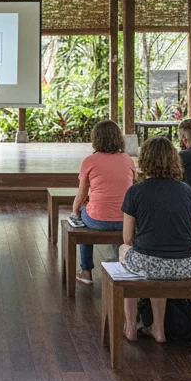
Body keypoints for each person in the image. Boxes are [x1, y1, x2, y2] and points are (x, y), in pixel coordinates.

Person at [118, 136, 191, 343]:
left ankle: (130, 327)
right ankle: (159, 328)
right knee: (157, 262)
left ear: (144, 160)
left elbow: (127, 238)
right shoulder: (186, 190)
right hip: (187, 265)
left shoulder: (135, 191)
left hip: (149, 263)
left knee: (123, 251)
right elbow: (189, 232)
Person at [71, 120, 136, 286]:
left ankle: (86, 271)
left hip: (97, 220)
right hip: (125, 220)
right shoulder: (128, 160)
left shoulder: (90, 161)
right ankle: (121, 264)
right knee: (119, 217)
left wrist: (75, 210)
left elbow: (81, 194)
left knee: (84, 223)